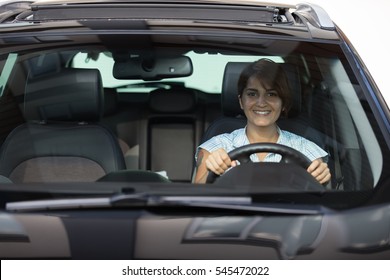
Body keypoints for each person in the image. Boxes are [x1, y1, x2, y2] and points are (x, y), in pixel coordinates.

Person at [194, 58, 331, 184]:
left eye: (271, 94)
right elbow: (195, 200)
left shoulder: (305, 149)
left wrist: (322, 177)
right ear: (241, 101)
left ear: (283, 103)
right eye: (252, 94)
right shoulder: (216, 147)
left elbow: (322, 197)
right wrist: (210, 171)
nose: (261, 103)